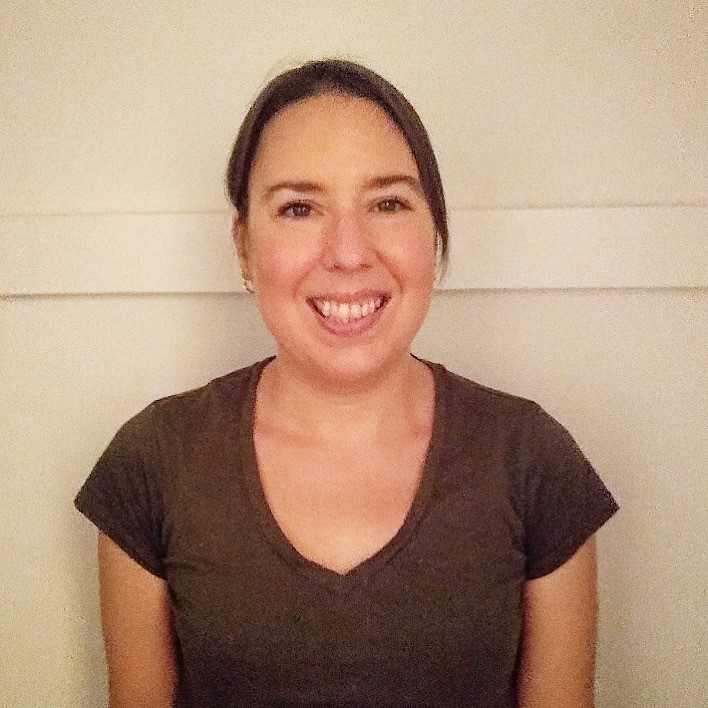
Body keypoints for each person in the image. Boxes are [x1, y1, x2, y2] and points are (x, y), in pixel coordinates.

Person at [75, 59, 618, 707]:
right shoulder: (153, 462)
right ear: (243, 246)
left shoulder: (533, 459)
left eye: (388, 203)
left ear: (435, 233)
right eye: (299, 208)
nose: (349, 252)